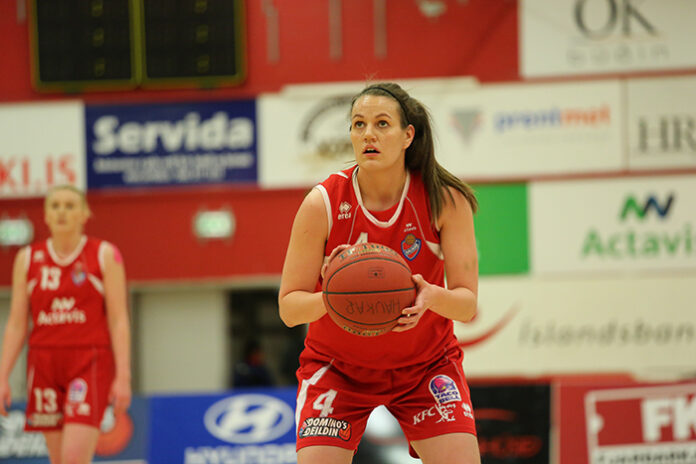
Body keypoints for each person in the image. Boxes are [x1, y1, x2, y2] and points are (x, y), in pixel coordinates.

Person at [278, 82, 481, 464]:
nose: (368, 133)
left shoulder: (444, 199)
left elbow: (466, 305)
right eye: (359, 124)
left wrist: (431, 296)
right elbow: (289, 309)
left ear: (408, 136)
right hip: (338, 370)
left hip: (426, 367)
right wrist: (334, 297)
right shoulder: (322, 203)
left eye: (382, 123)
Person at [0, 185, 131, 464]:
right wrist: (2, 376)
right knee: (58, 460)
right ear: (46, 215)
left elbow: (119, 320)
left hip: (89, 361)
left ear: (84, 214)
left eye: (70, 206)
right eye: (55, 206)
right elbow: (16, 324)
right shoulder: (27, 259)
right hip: (43, 363)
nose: (62, 212)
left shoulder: (104, 254)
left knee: (74, 458)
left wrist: (123, 376)